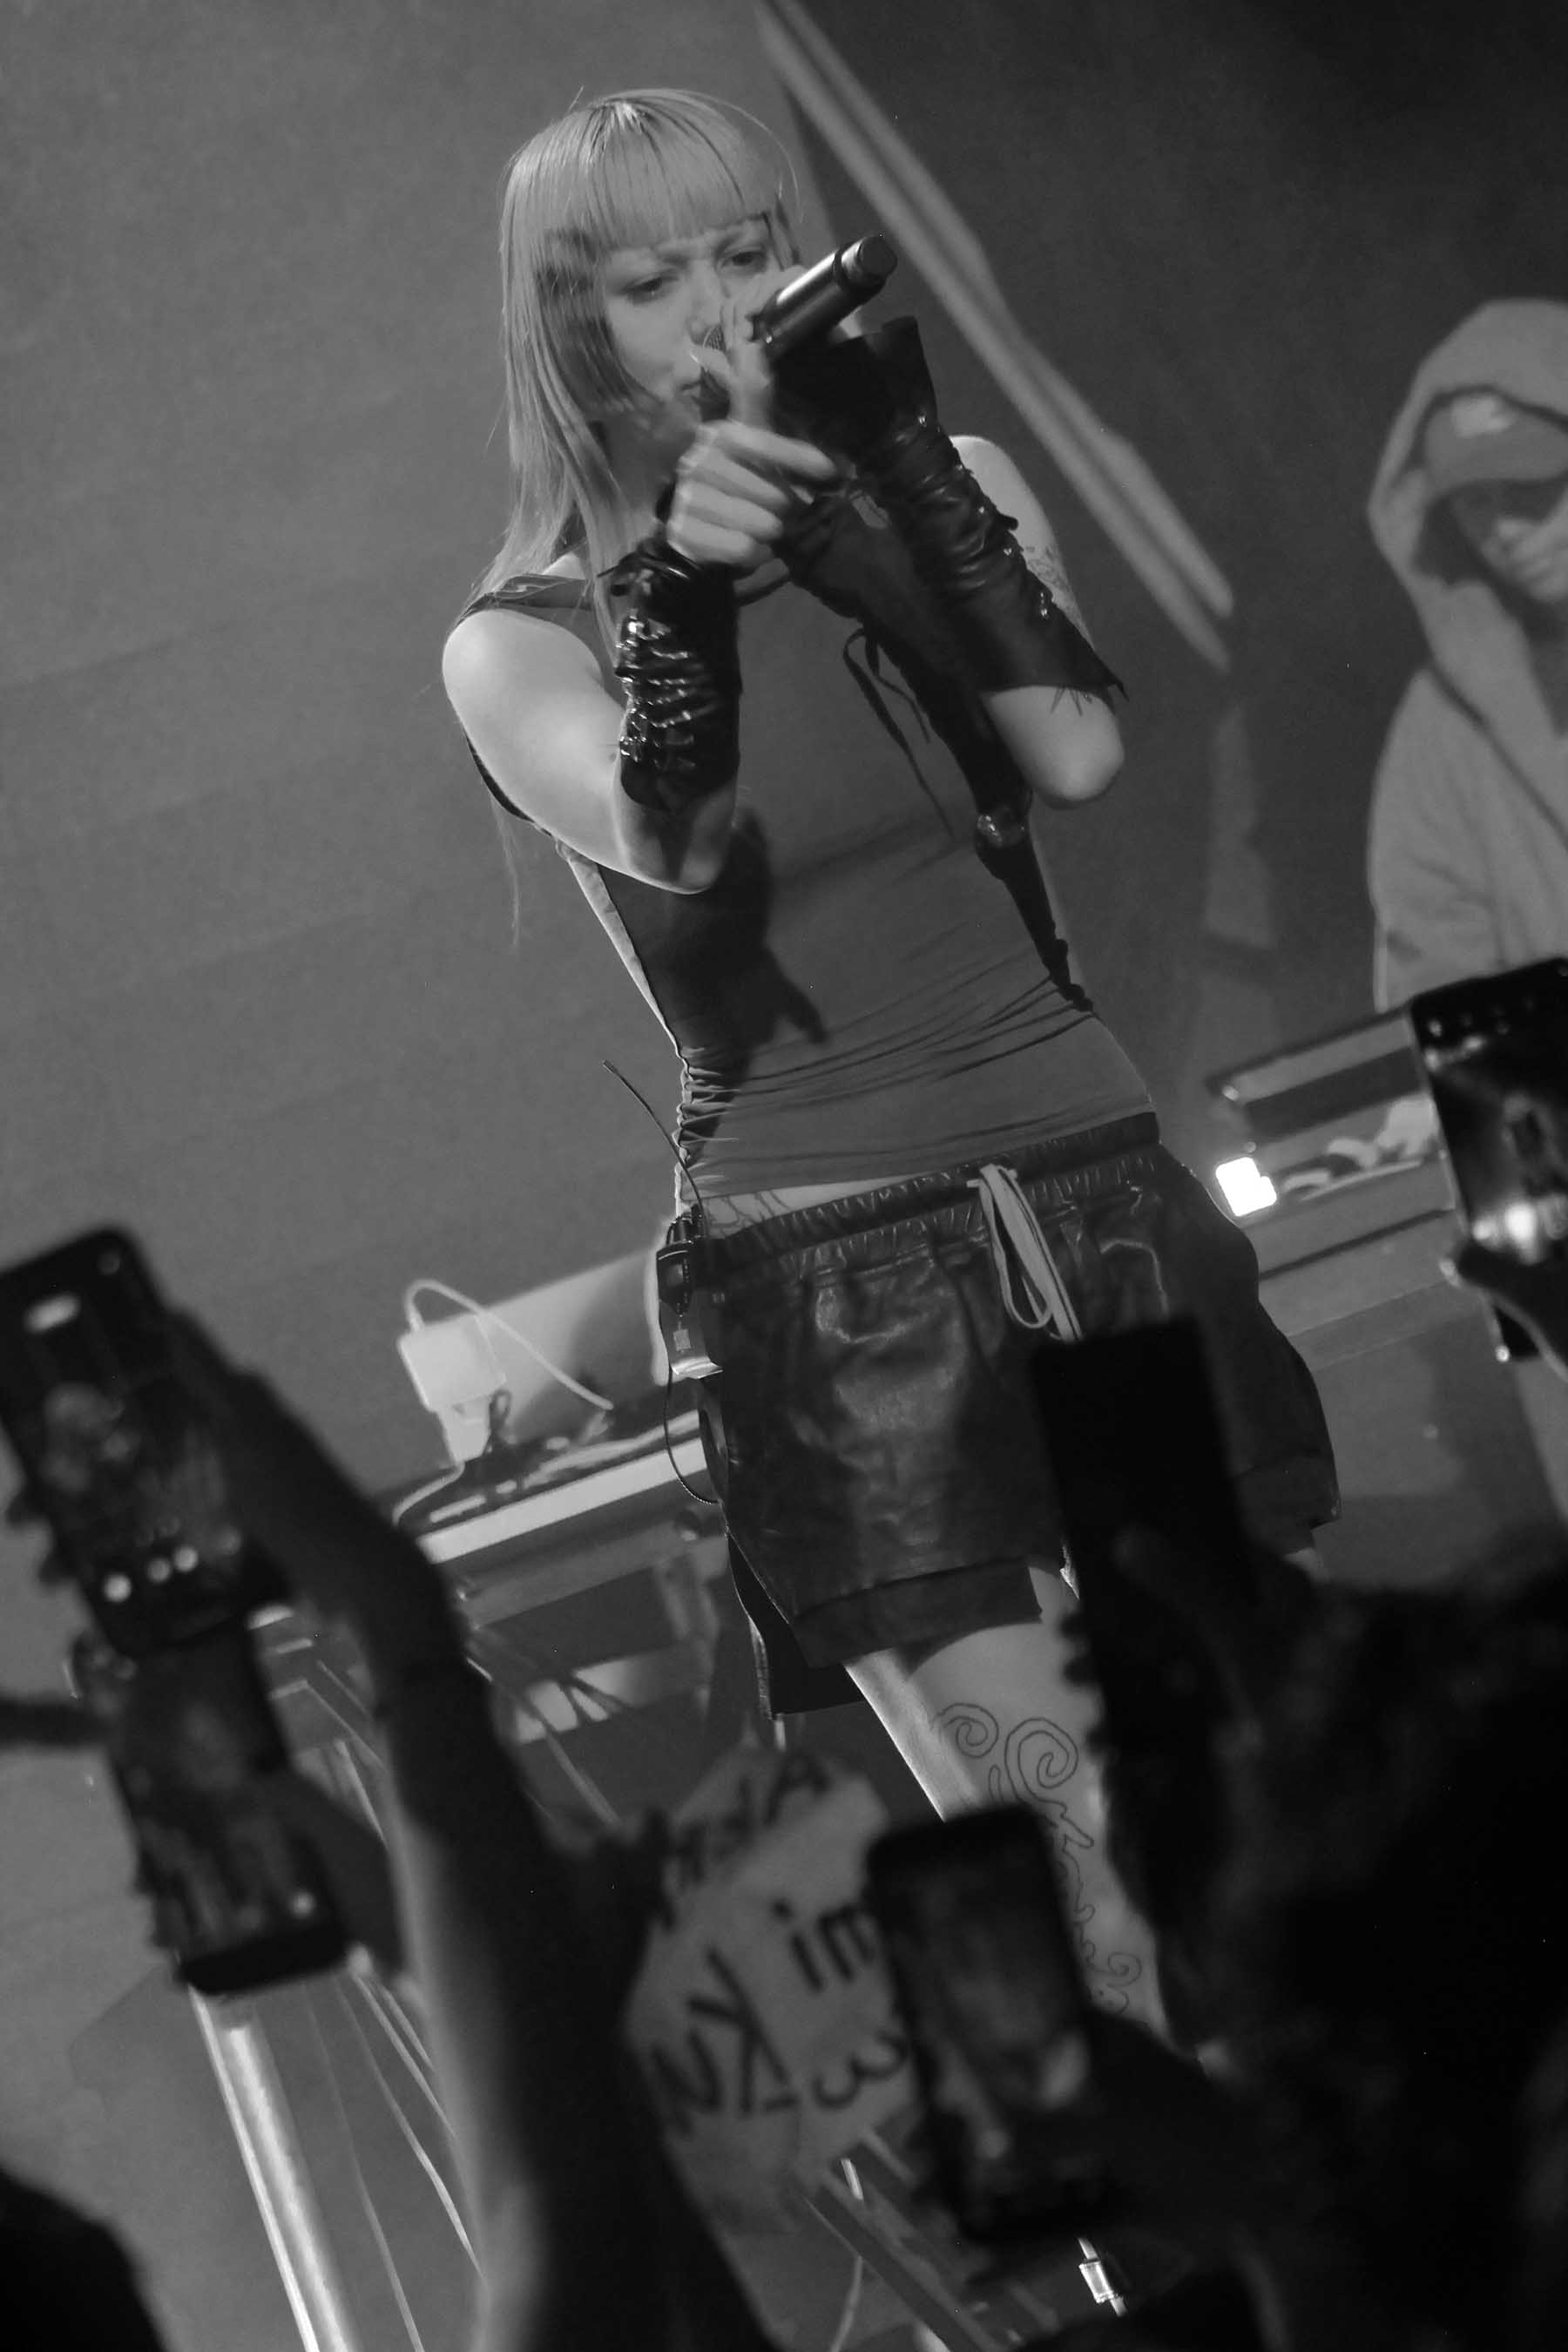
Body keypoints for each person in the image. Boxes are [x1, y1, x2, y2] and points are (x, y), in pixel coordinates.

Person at [441, 87, 1337, 2013]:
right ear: (569, 326)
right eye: (655, 281)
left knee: (1266, 1825)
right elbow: (676, 838)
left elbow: (1079, 752)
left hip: (1093, 1191)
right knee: (1078, 1881)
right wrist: (686, 582)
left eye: (748, 254)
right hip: (840, 1272)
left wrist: (897, 480)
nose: (718, 309)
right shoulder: (519, 640)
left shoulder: (948, 483)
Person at [1367, 300, 1568, 1011]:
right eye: (1475, 501)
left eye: (1532, 485)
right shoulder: (1442, 724)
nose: (1505, 529)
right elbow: (1436, 979)